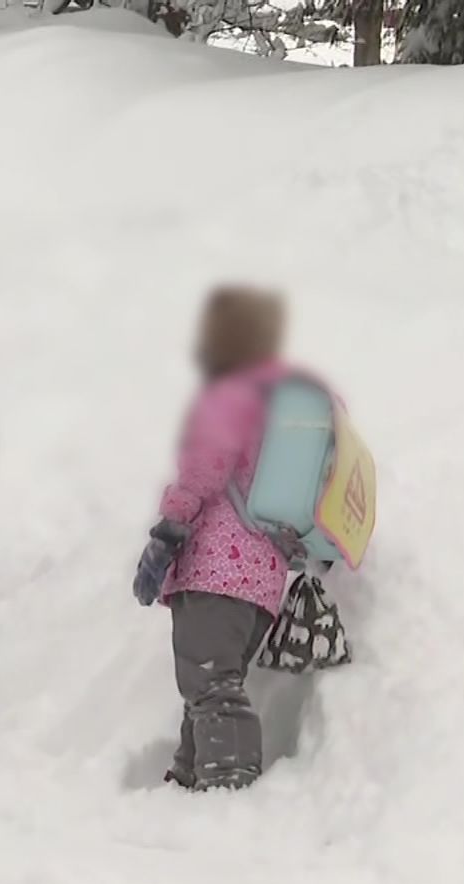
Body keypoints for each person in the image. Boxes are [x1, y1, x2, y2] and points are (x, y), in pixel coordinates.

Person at [133, 286, 295, 791]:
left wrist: (167, 532)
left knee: (211, 687)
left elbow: (203, 468)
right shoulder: (285, 407)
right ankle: (186, 783)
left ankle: (227, 790)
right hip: (261, 581)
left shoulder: (232, 395)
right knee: (209, 685)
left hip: (218, 571)